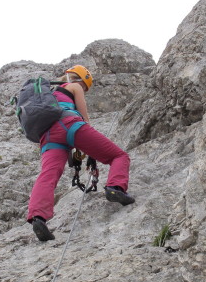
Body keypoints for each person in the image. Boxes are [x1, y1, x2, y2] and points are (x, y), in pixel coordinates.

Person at [27, 65, 134, 241]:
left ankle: (38, 218)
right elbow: (83, 118)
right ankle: (115, 188)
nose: (83, 90)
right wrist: (91, 151)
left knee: (48, 175)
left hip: (47, 136)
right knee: (119, 156)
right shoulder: (74, 86)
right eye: (85, 87)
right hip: (70, 124)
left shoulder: (47, 96)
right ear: (81, 80)